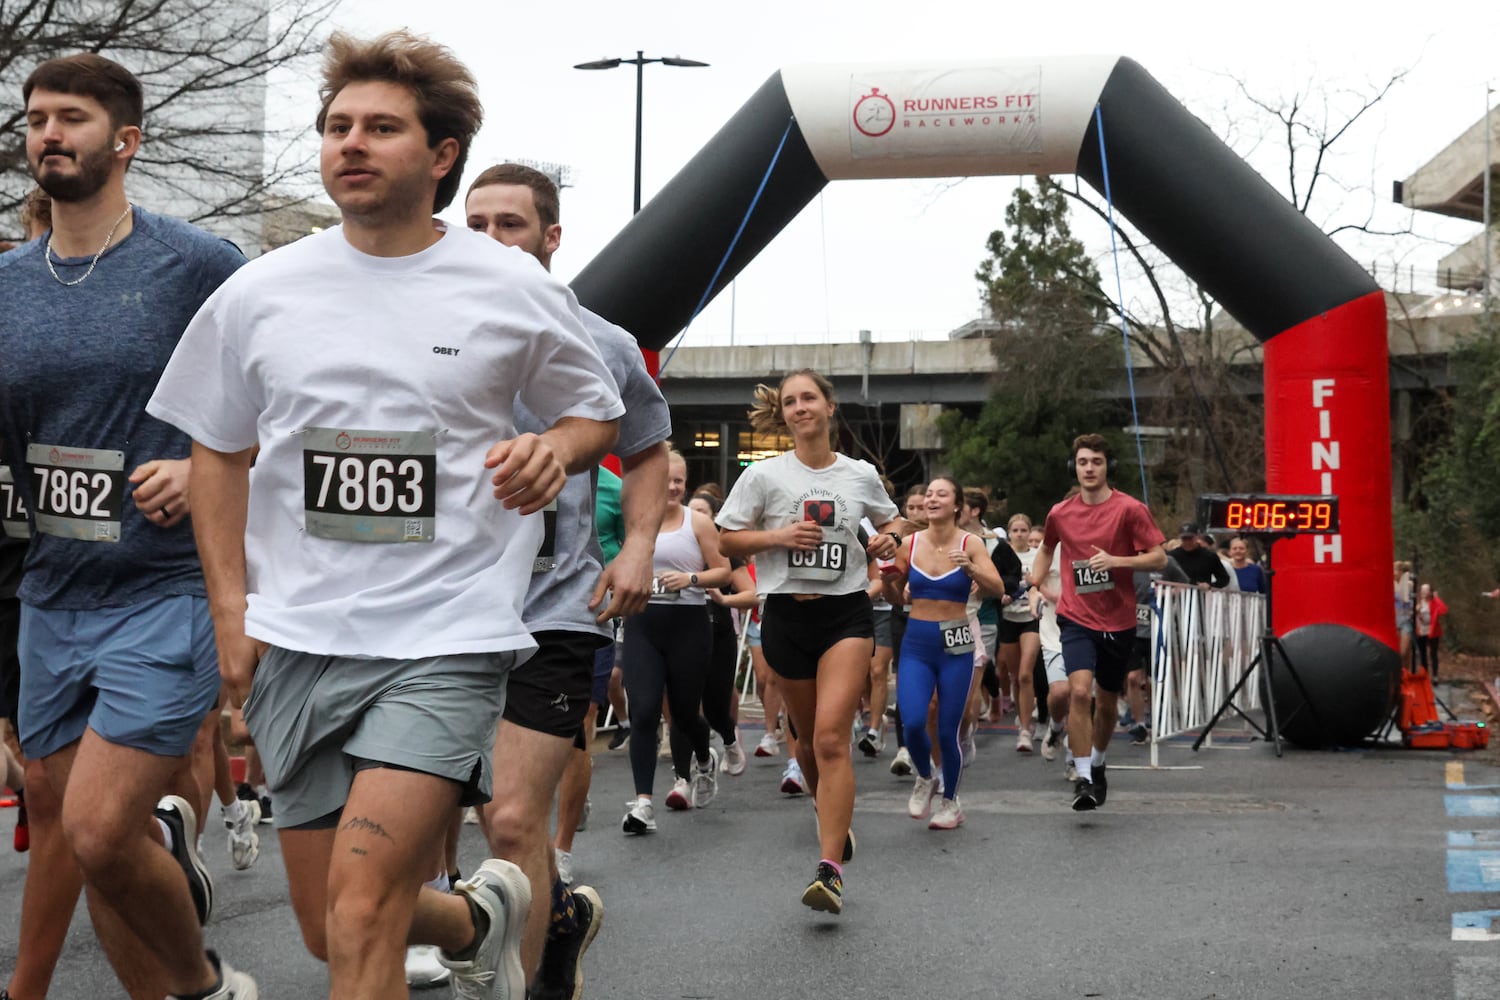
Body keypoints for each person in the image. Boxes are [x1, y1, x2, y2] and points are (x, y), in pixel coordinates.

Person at [147, 30, 624, 999]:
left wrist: (556, 448)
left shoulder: (510, 285)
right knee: (332, 927)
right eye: (337, 127)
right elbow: (217, 451)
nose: (351, 144)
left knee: (362, 910)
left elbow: (594, 413)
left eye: (380, 127)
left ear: (441, 155)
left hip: (446, 634)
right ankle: (482, 916)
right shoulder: (260, 292)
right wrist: (231, 611)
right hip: (301, 636)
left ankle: (473, 916)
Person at [0, 53, 254, 1000]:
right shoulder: (8, 283)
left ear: (127, 141)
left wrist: (205, 467)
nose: (49, 133)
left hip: (166, 586)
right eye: (36, 118)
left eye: (71, 117)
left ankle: (203, 986)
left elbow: (288, 399)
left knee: (101, 829)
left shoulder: (198, 265)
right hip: (52, 594)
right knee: (88, 837)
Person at [464, 161, 672, 998]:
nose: (490, 241)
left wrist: (639, 547)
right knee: (471, 815)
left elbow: (649, 448)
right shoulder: (422, 327)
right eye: (475, 225)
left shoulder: (603, 342)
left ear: (551, 237)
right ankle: (555, 921)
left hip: (554, 608)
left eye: (510, 224)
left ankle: (525, 984)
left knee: (515, 819)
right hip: (445, 609)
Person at [717, 369, 905, 914]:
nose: (800, 407)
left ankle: (829, 871)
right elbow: (727, 539)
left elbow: (894, 524)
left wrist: (888, 541)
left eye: (809, 398)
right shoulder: (764, 475)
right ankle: (830, 815)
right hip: (785, 616)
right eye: (790, 401)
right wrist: (779, 536)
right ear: (784, 414)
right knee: (804, 743)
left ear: (828, 407)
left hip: (845, 615)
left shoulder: (859, 473)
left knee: (829, 738)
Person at [1030, 435, 1167, 811]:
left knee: (1106, 702)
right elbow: (1046, 548)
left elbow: (1158, 558)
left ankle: (1099, 762)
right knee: (1078, 692)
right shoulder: (1060, 513)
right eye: (1083, 462)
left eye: (1096, 462)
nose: (1089, 468)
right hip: (1075, 616)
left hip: (1118, 620)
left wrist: (1118, 561)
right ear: (1073, 467)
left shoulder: (1130, 509)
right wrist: (1035, 583)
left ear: (1108, 467)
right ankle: (1084, 777)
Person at [883, 477, 1006, 830]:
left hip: (956, 642)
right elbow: (894, 598)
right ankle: (925, 776)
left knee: (949, 729)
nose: (932, 499)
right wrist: (890, 582)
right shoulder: (909, 544)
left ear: (956, 505)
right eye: (929, 494)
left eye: (942, 494)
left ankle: (951, 802)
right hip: (918, 643)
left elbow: (997, 587)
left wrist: (972, 569)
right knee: (913, 721)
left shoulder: (971, 543)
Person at [619, 450, 731, 829]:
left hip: (688, 625)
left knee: (684, 713)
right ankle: (643, 804)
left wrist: (691, 579)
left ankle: (705, 757)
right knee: (644, 710)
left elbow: (723, 571)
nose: (671, 487)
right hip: (642, 622)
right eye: (665, 479)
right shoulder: (635, 518)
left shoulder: (697, 522)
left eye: (678, 481)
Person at [1167, 523, 1230, 589]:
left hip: (1201, 593)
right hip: (1177, 594)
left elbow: (1224, 579)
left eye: (1190, 538)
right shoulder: (1172, 556)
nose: (1187, 542)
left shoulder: (1209, 556)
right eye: (1184, 539)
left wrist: (1210, 585)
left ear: (1198, 536)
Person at [1414, 583, 1449, 679]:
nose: (1423, 592)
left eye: (1426, 590)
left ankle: (1435, 676)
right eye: (1422, 590)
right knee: (1422, 653)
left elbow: (1444, 610)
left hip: (1433, 630)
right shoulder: (1418, 602)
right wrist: (1416, 611)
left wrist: (1437, 598)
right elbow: (1411, 615)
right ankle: (1424, 674)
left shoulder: (1434, 602)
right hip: (1421, 630)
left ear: (1430, 592)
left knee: (1433, 653)